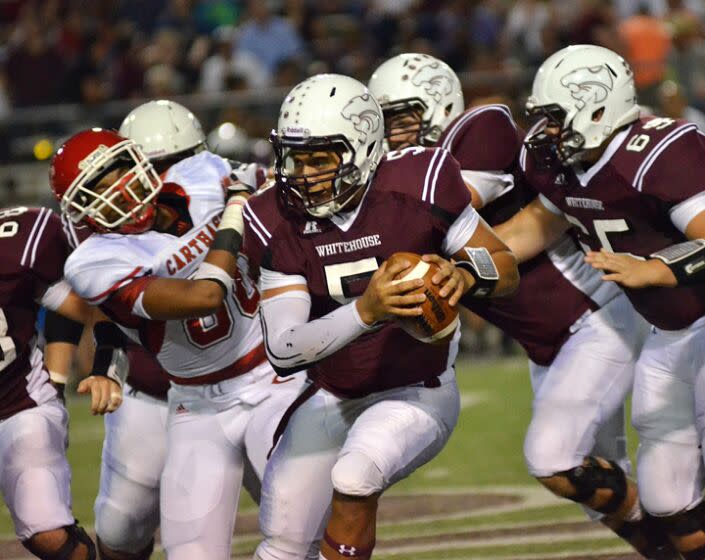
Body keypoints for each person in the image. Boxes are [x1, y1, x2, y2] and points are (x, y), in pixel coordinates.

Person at [368, 52, 672, 557]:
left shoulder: (479, 129)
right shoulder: (396, 184)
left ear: (437, 108)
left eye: (401, 119)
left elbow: (436, 209)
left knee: (553, 457)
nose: (392, 137)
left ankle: (683, 533)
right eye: (382, 125)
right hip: (547, 344)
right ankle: (670, 543)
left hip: (593, 316)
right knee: (597, 490)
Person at [243, 73, 519, 560]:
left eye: (318, 158)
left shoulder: (421, 179)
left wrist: (467, 276)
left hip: (418, 390)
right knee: (281, 541)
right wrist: (366, 310)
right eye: (295, 158)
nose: (302, 174)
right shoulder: (271, 216)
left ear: (363, 149)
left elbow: (505, 265)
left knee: (355, 476)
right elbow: (283, 349)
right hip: (332, 393)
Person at [500, 43, 705, 558]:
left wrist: (657, 268)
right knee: (664, 495)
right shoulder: (567, 165)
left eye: (554, 119)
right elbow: (537, 225)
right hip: (671, 332)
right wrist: (456, 259)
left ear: (596, 108)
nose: (543, 133)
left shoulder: (661, 153)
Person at [49, 127, 274, 560]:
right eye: (97, 188)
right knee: (184, 549)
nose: (117, 189)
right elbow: (204, 296)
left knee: (300, 528)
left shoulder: (204, 173)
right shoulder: (96, 259)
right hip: (196, 399)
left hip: (271, 376)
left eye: (117, 172)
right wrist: (236, 208)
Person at [0, 205, 123, 560]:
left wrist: (102, 365)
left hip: (17, 405)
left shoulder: (17, 244)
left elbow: (91, 309)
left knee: (48, 535)